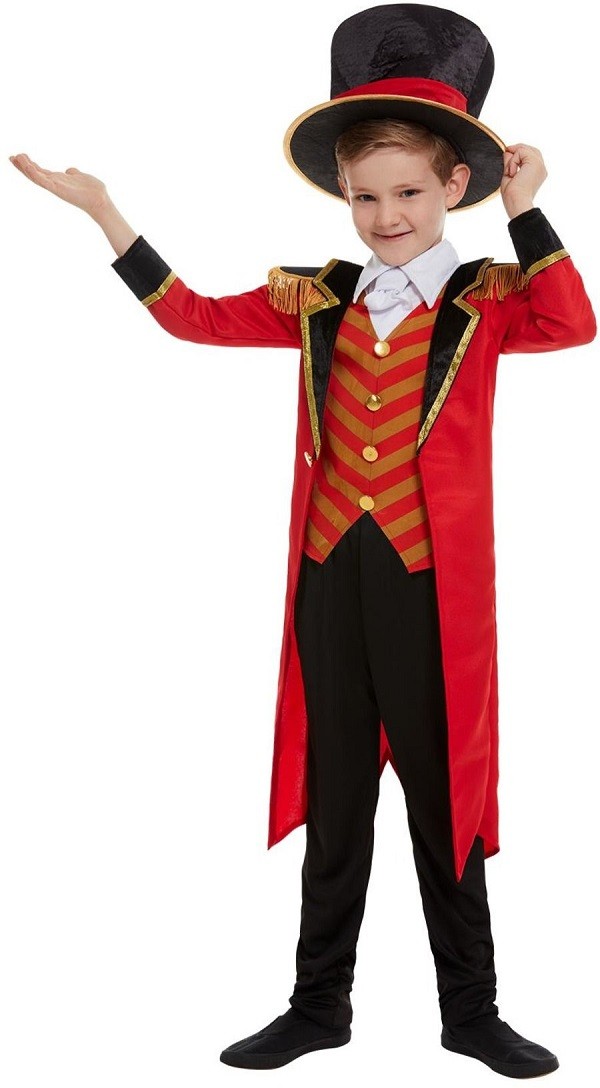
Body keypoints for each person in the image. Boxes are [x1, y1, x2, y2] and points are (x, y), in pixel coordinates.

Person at [9, 3, 596, 1079]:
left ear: (454, 185)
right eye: (366, 195)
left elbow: (574, 322)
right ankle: (317, 1004)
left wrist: (529, 210)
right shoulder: (315, 299)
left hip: (429, 585)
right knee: (336, 802)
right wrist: (105, 214)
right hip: (330, 577)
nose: (385, 215)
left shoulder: (488, 300)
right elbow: (188, 315)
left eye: (408, 193)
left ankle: (471, 1011)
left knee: (444, 802)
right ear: (343, 194)